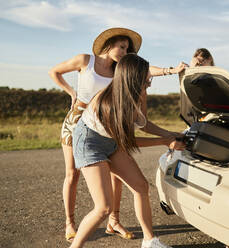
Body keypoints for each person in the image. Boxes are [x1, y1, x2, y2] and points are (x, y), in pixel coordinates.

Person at [48, 27, 186, 243]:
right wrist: (165, 141)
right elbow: (127, 141)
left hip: (110, 140)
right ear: (134, 77)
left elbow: (144, 124)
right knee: (103, 207)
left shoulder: (133, 94)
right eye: (146, 78)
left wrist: (172, 134)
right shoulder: (109, 102)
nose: (149, 81)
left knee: (141, 187)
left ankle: (150, 242)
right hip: (89, 142)